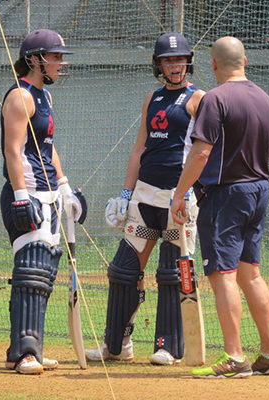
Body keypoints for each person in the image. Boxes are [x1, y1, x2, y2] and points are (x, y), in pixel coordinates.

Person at [84, 33, 205, 366]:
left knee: (170, 271)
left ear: (188, 62)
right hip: (144, 197)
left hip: (177, 200)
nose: (174, 66)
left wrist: (190, 193)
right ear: (159, 65)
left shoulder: (199, 99)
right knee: (123, 271)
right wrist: (125, 194)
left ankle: (169, 346)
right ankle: (116, 346)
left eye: (179, 60)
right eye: (168, 61)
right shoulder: (151, 98)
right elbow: (140, 149)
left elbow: (204, 151)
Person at [171, 36, 269, 378]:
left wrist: (180, 194)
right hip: (259, 189)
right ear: (245, 61)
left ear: (213, 64)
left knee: (222, 276)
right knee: (250, 273)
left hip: (225, 195)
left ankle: (236, 358)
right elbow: (267, 152)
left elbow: (201, 152)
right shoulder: (266, 99)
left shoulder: (215, 99)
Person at [0, 29, 87, 375]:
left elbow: (47, 149)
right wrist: (21, 197)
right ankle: (24, 353)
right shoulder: (20, 97)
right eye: (55, 57)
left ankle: (28, 349)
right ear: (35, 59)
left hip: (49, 193)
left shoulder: (45, 98)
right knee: (31, 270)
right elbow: (14, 150)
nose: (60, 63)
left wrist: (65, 188)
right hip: (27, 193)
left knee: (45, 271)